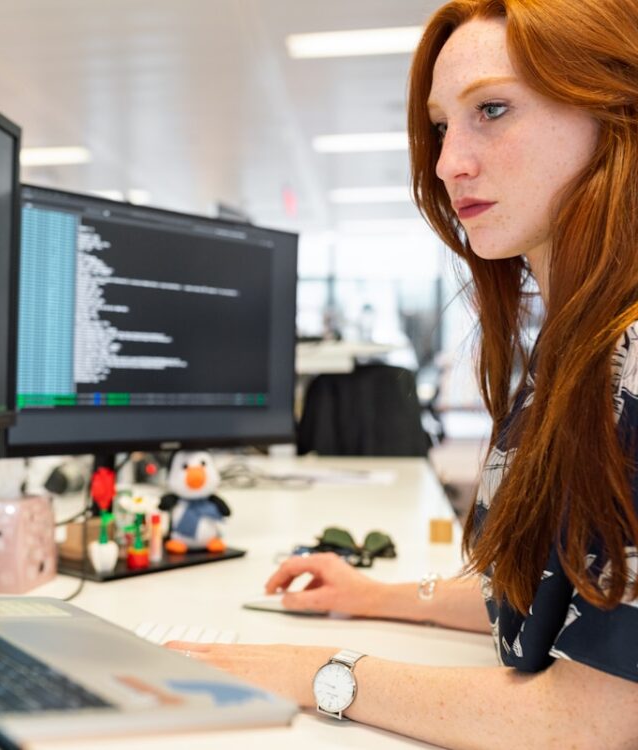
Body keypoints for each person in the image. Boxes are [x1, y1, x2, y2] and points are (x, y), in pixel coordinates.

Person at [167, 1, 638, 746]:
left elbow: (597, 719)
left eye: (492, 109)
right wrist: (376, 594)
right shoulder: (572, 351)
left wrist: (314, 673)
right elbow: (550, 596)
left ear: (613, 110)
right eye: (444, 125)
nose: (449, 162)